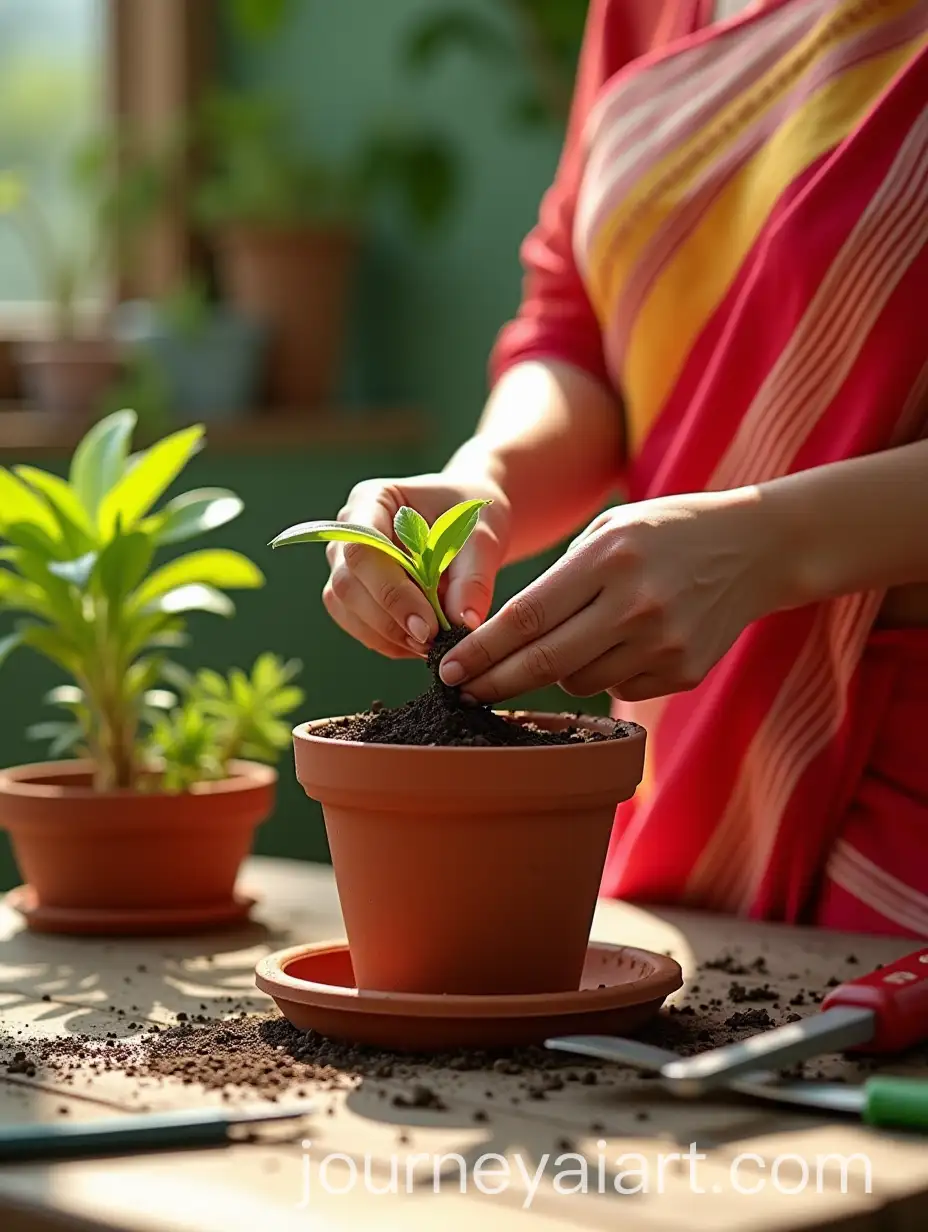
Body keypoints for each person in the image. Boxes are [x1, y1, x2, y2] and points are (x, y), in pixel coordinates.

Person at [323, 0, 928, 938]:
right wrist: (489, 479)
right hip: (678, 763)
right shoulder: (641, 14)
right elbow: (577, 331)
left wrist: (773, 545)